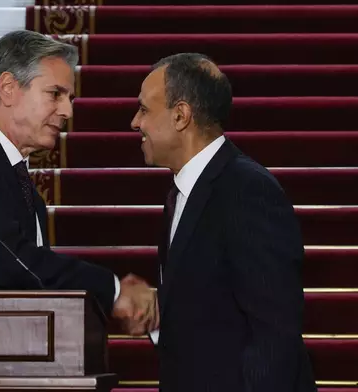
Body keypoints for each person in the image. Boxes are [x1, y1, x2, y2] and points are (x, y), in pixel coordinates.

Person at [0, 30, 157, 329]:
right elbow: (8, 255)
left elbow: (30, 284)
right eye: (55, 94)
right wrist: (111, 290)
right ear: (8, 88)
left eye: (70, 98)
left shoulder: (25, 188)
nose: (68, 111)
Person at [128, 53, 317, 391]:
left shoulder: (248, 191)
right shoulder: (181, 194)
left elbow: (274, 337)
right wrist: (157, 315)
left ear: (181, 115)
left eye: (144, 109)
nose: (135, 123)